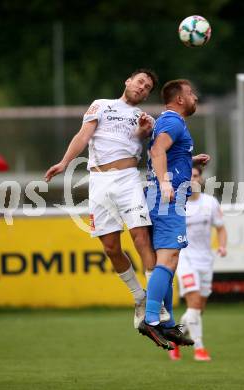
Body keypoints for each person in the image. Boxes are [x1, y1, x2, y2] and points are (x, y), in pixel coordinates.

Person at [45, 69, 169, 328]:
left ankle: (157, 304)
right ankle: (139, 298)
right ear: (128, 81)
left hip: (128, 179)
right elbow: (83, 136)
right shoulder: (101, 105)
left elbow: (155, 150)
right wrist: (64, 162)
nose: (142, 87)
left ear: (146, 95)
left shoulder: (145, 119)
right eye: (140, 82)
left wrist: (143, 133)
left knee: (141, 238)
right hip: (99, 182)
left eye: (147, 88)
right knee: (111, 247)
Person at [138, 79, 210, 350]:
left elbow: (163, 152)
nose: (195, 97)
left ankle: (166, 325)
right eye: (191, 93)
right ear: (179, 99)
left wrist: (189, 161)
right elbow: (156, 150)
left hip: (163, 197)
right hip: (166, 197)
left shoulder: (170, 122)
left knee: (168, 262)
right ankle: (152, 319)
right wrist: (166, 182)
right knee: (168, 261)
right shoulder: (173, 121)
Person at [168, 163, 227, 361]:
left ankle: (175, 337)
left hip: (205, 261)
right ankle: (199, 348)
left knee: (198, 309)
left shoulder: (210, 203)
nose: (192, 179)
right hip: (184, 259)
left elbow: (220, 228)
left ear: (200, 178)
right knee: (193, 304)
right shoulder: (176, 203)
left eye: (195, 175)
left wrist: (222, 246)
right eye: (188, 176)